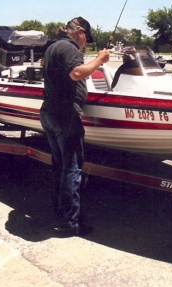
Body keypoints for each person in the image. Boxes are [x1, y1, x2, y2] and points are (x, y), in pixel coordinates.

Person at [40, 16, 110, 234]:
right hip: (65, 116)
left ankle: (60, 213)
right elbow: (77, 72)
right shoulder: (70, 48)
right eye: (86, 39)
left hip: (49, 112)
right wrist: (100, 59)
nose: (85, 44)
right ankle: (70, 223)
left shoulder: (53, 47)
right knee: (71, 169)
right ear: (79, 32)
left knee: (60, 167)